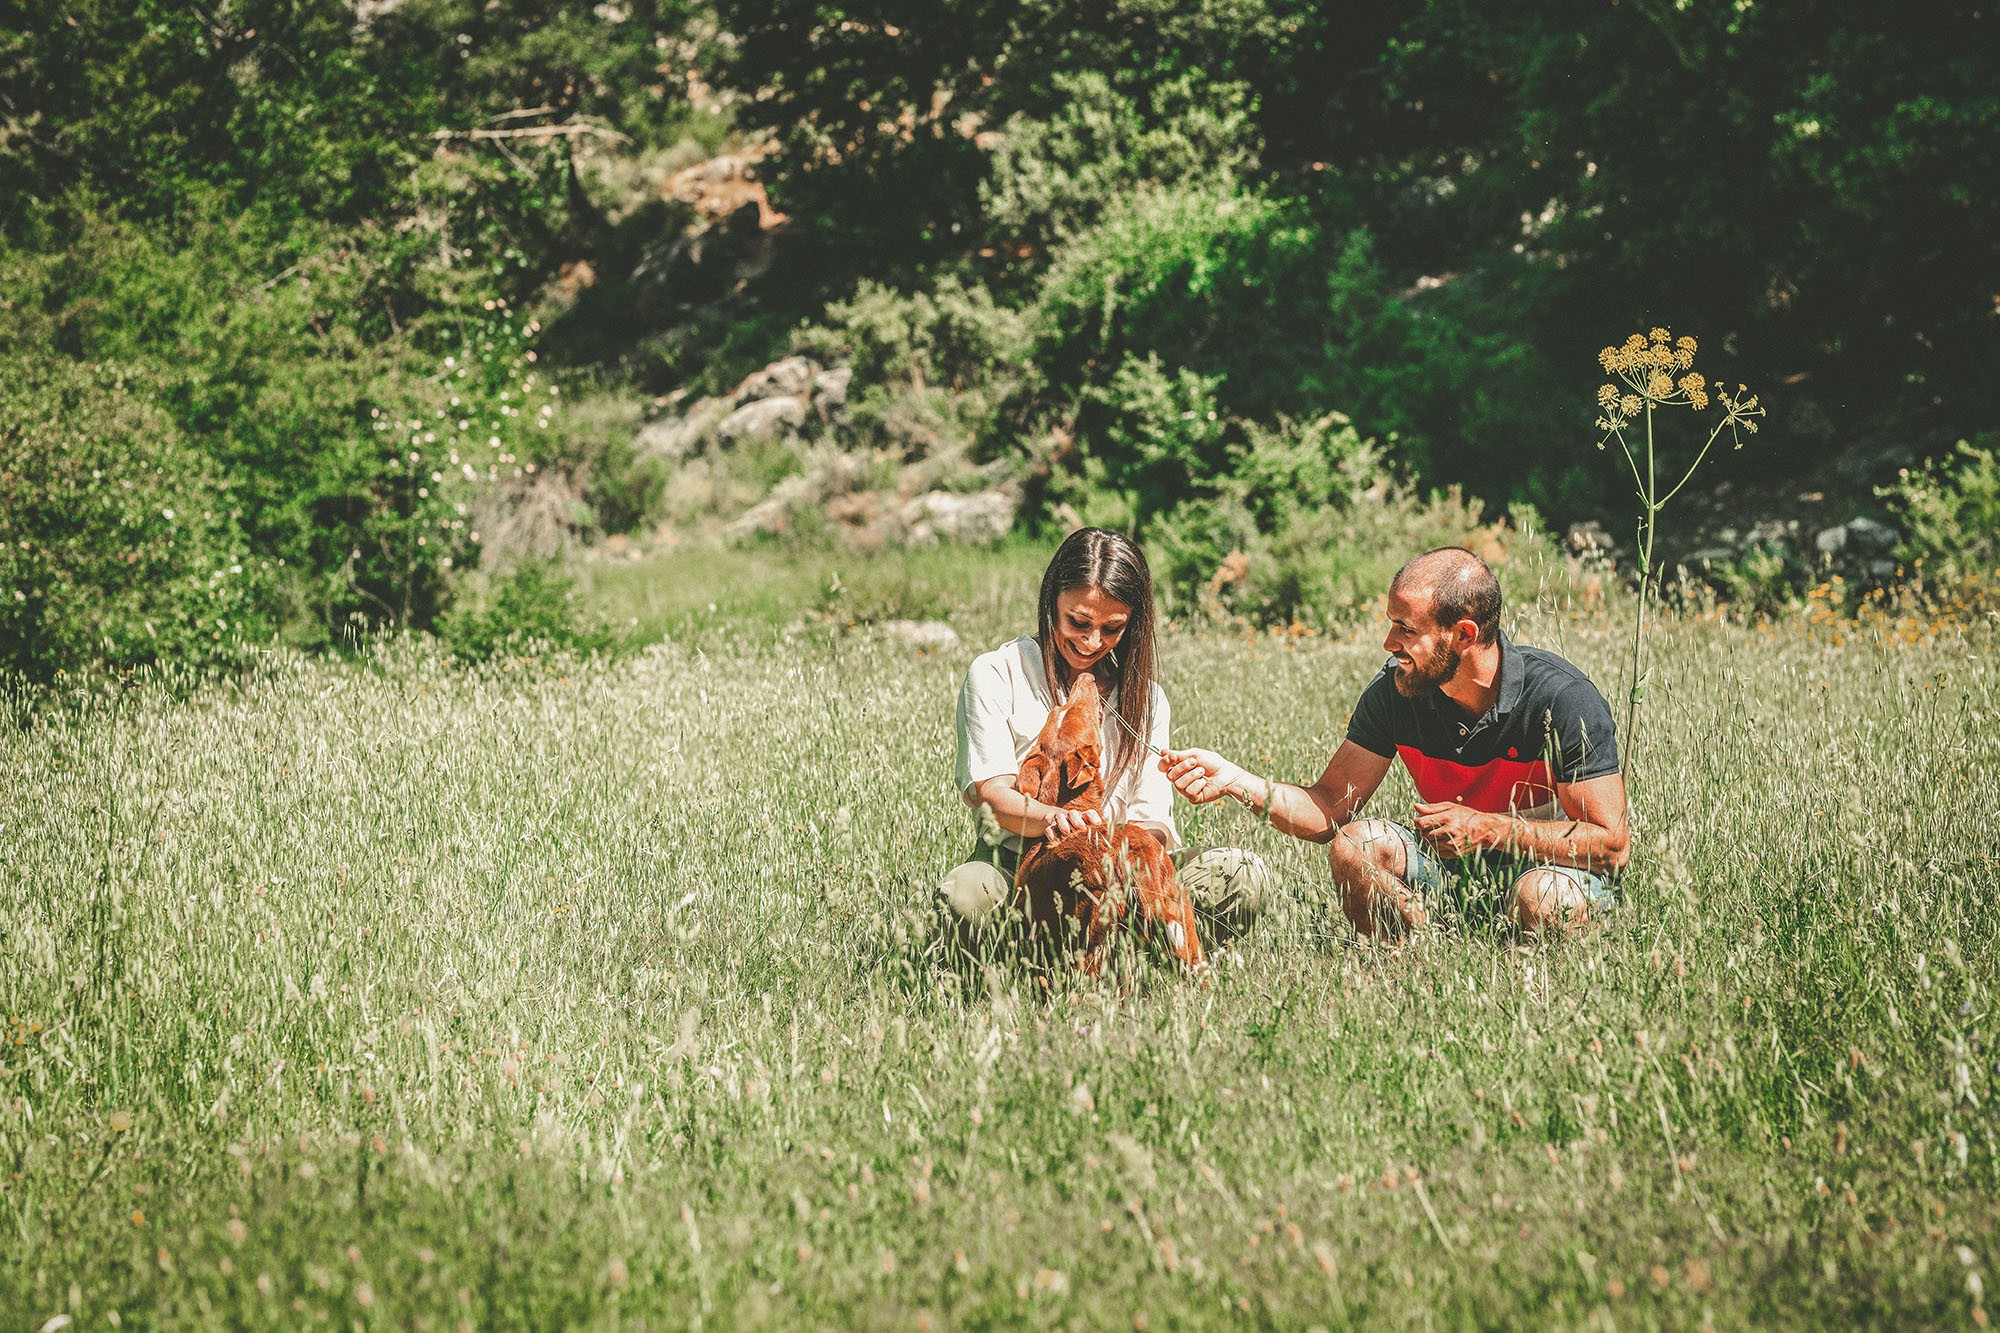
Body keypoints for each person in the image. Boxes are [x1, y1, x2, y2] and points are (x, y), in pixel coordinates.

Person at [1161, 547, 1628, 941]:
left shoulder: (1561, 699)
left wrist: (1489, 829)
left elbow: (1611, 845)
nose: (1389, 642)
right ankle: (1412, 964)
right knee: (1353, 846)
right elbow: (1328, 807)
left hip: (1553, 874)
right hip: (1452, 873)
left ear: (1463, 634)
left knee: (1540, 899)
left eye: (1407, 628)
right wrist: (1236, 780)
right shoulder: (1399, 690)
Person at [938, 526, 1273, 950]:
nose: (1091, 642)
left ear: (1133, 624)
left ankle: (1126, 944)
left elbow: (1153, 825)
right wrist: (1052, 819)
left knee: (1242, 874)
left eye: (1112, 628)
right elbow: (991, 793)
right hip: (1024, 865)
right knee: (966, 899)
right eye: (1078, 621)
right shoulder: (996, 673)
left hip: (1125, 870)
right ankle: (1051, 956)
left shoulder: (1147, 699)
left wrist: (1117, 863)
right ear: (1051, 600)